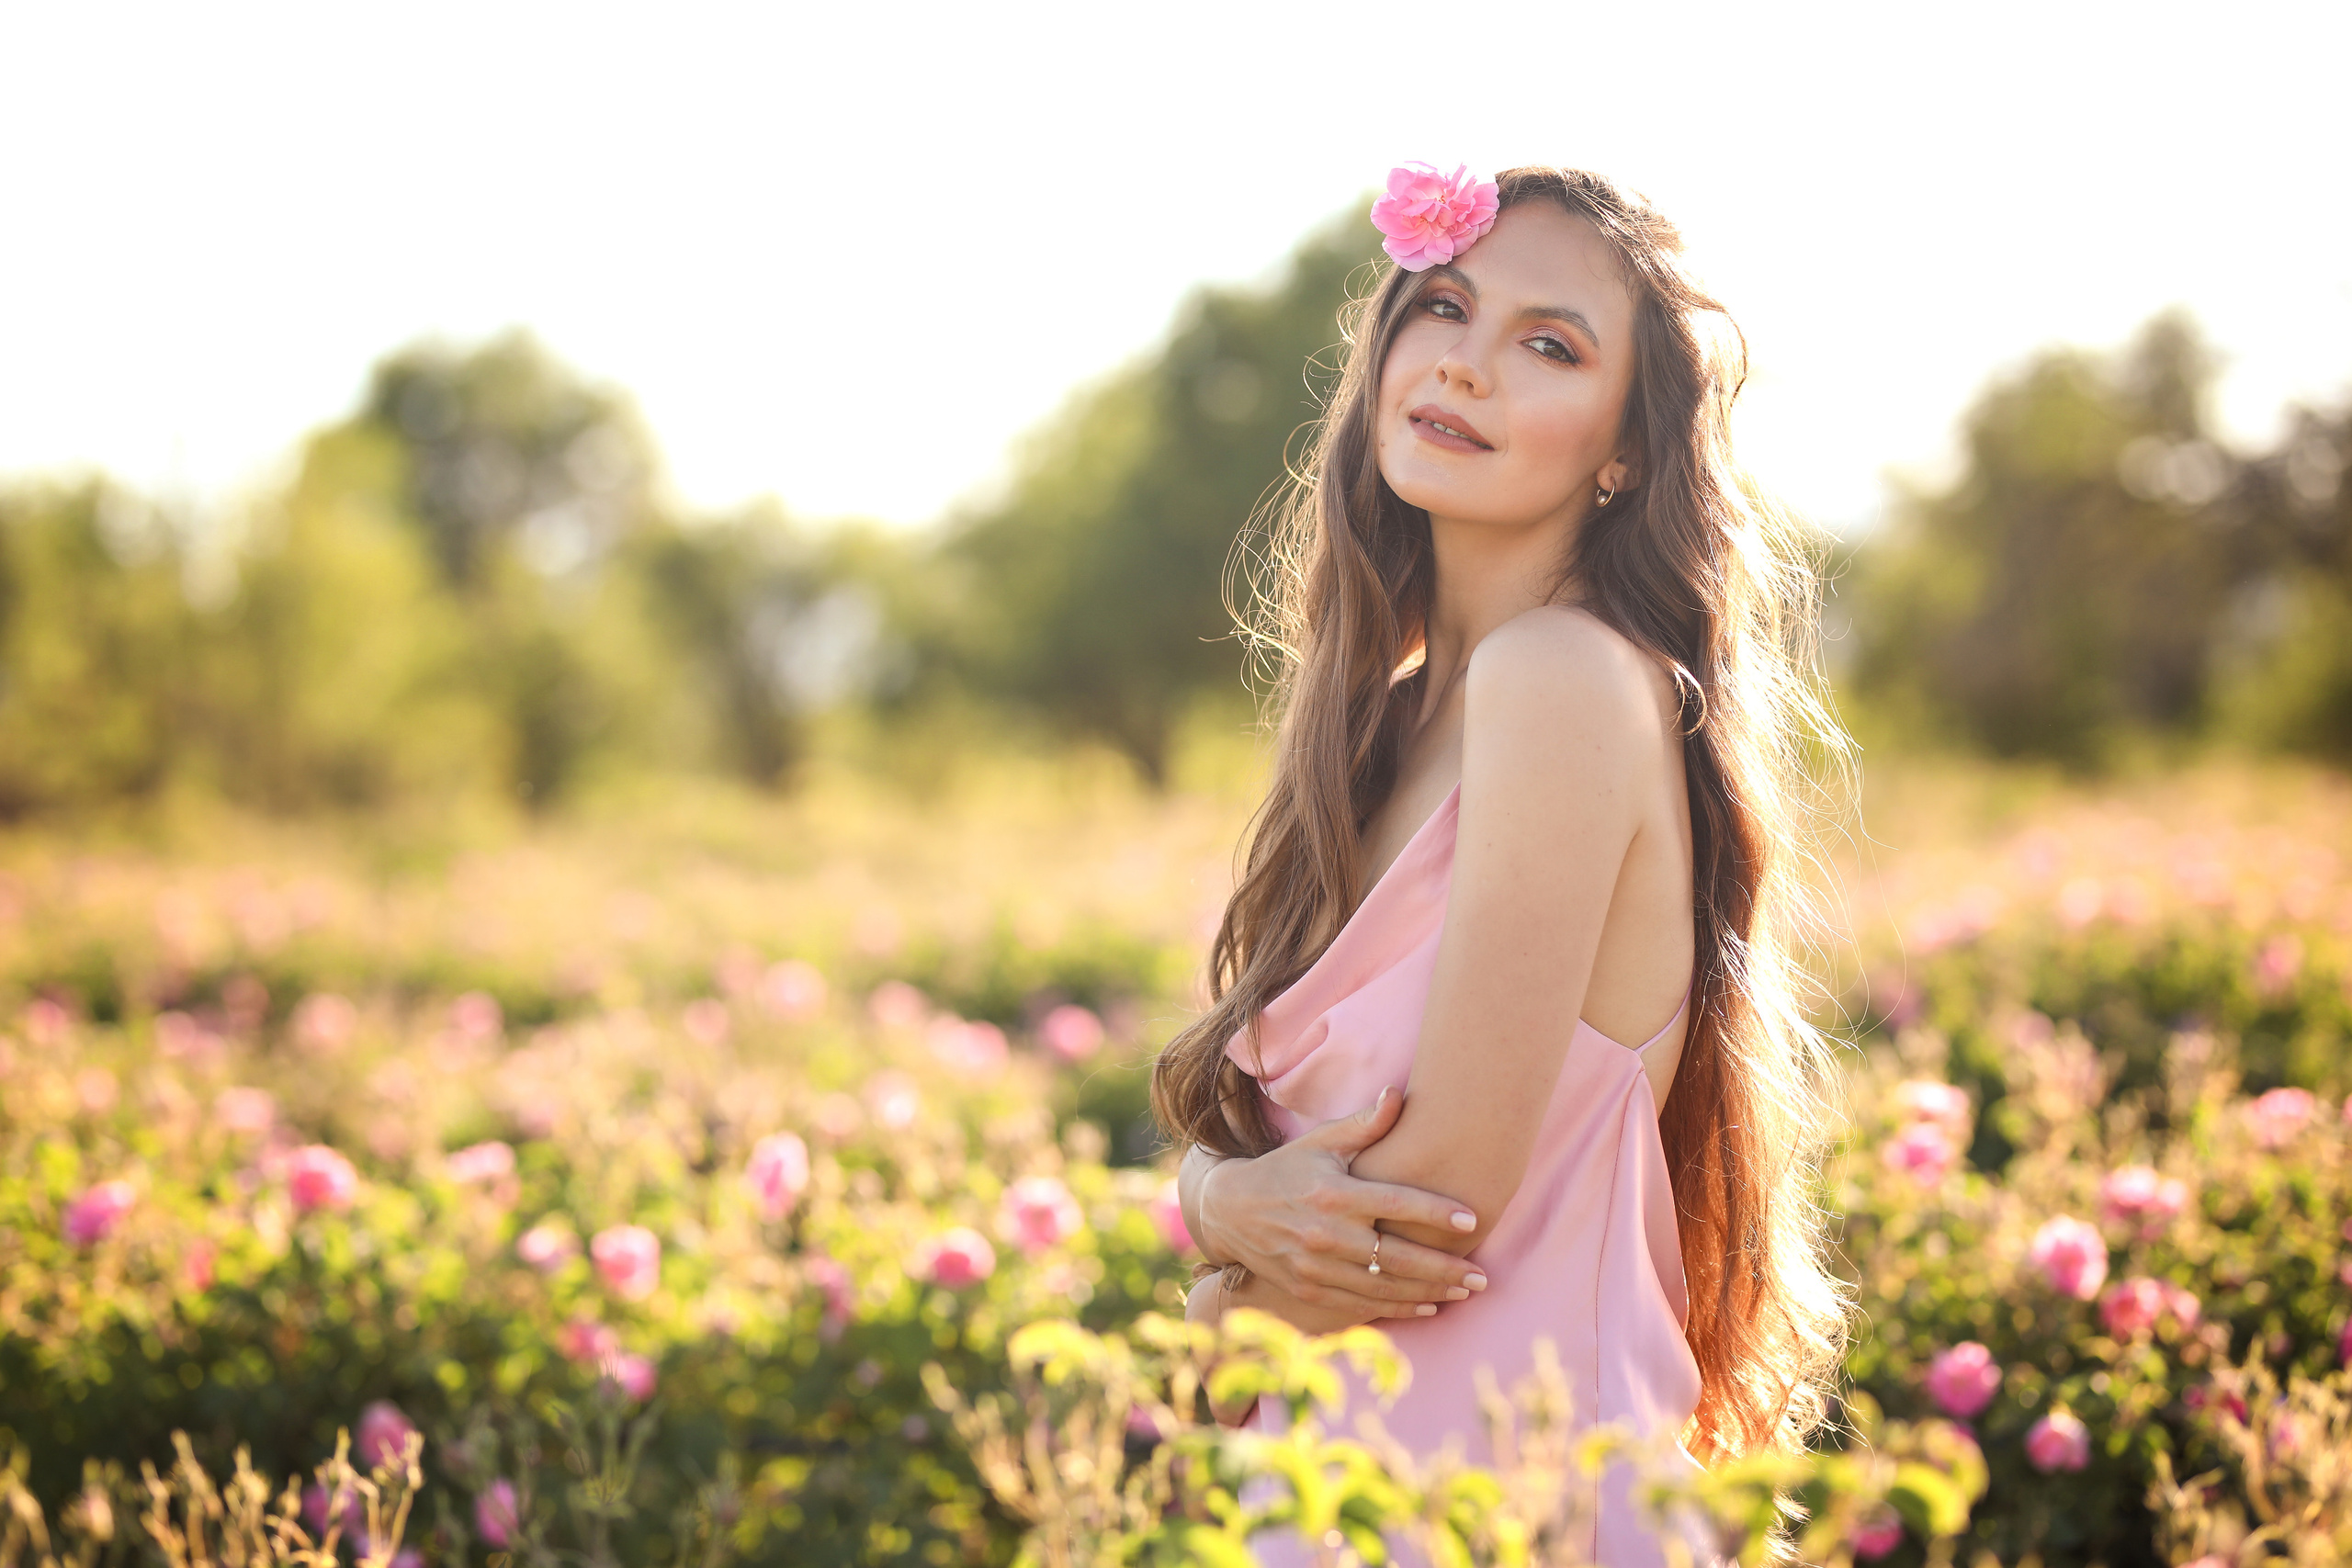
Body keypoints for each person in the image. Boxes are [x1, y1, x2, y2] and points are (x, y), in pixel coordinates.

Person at [1148, 164, 1852, 1565]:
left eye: (1548, 344)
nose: (1468, 365)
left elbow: (1434, 1204)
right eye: (1446, 309)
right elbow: (1279, 1176)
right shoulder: (1394, 718)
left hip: (1510, 1499)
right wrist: (1221, 1198)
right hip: (1350, 1483)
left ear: (1627, 451)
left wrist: (1200, 1310)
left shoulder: (1562, 678)